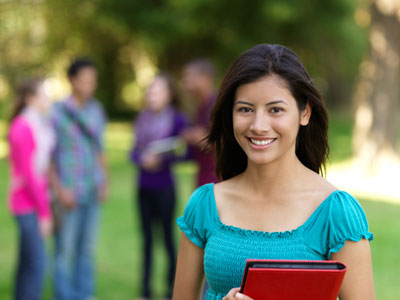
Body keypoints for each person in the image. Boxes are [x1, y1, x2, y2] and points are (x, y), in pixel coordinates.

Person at [173, 44, 375, 300]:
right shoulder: (204, 205)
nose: (258, 126)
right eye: (245, 109)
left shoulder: (336, 213)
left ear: (305, 112)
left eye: (275, 110)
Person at [50, 58, 107, 300]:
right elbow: (47, 156)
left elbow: (99, 150)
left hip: (92, 190)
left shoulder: (97, 110)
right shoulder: (56, 112)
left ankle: (84, 295)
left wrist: (104, 181)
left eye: (92, 80)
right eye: (84, 79)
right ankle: (65, 295)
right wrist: (59, 189)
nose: (88, 85)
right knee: (65, 250)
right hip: (68, 192)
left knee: (86, 249)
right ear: (72, 80)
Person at [130, 73, 189, 300]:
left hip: (165, 188)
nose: (151, 95)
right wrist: (140, 159)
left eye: (157, 91)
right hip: (143, 187)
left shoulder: (177, 119)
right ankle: (145, 291)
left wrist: (162, 160)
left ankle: (169, 290)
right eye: (150, 91)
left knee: (167, 239)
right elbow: (132, 151)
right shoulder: (142, 119)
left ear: (169, 94)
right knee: (146, 241)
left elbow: (185, 153)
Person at [7, 78, 55, 300]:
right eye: (43, 95)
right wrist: (44, 213)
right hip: (27, 204)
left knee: (27, 261)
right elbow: (29, 175)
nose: (48, 99)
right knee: (36, 263)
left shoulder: (34, 124)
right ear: (31, 99)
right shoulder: (23, 127)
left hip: (29, 202)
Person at [181, 58, 218, 186]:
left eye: (189, 76)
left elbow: (226, 143)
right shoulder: (200, 106)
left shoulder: (218, 105)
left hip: (217, 178)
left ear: (206, 78)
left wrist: (198, 137)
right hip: (202, 174)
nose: (185, 81)